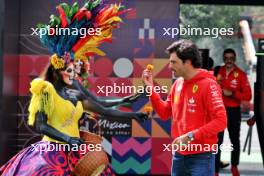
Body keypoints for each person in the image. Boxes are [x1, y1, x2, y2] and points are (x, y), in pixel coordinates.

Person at [0, 1, 148, 175]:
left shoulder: (75, 93)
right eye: (69, 70)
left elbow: (101, 108)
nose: (73, 74)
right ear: (57, 71)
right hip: (51, 151)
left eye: (74, 70)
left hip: (76, 151)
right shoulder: (45, 90)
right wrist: (67, 138)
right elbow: (41, 125)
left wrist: (132, 112)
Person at [142, 39, 227, 176]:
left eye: (173, 62)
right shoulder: (178, 84)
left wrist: (190, 136)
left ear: (187, 62)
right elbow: (164, 113)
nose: (169, 66)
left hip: (201, 157)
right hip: (179, 156)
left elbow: (221, 122)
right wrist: (151, 88)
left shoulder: (209, 85)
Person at [215, 48, 252, 176]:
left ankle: (234, 167)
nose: (229, 60)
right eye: (226, 58)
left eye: (231, 58)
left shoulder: (241, 74)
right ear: (223, 59)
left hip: (233, 111)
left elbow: (248, 96)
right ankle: (215, 169)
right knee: (216, 140)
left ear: (234, 59)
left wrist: (233, 93)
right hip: (218, 110)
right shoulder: (217, 71)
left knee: (234, 140)